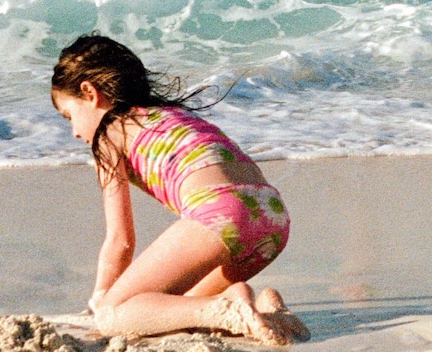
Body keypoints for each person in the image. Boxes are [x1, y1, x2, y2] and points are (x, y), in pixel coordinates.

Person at [50, 34, 307, 344]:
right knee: (174, 311)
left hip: (223, 212)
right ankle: (266, 310)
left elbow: (121, 240)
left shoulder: (108, 133)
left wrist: (102, 301)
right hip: (272, 217)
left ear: (90, 93)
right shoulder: (172, 115)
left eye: (70, 116)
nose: (74, 132)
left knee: (114, 315)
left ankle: (232, 307)